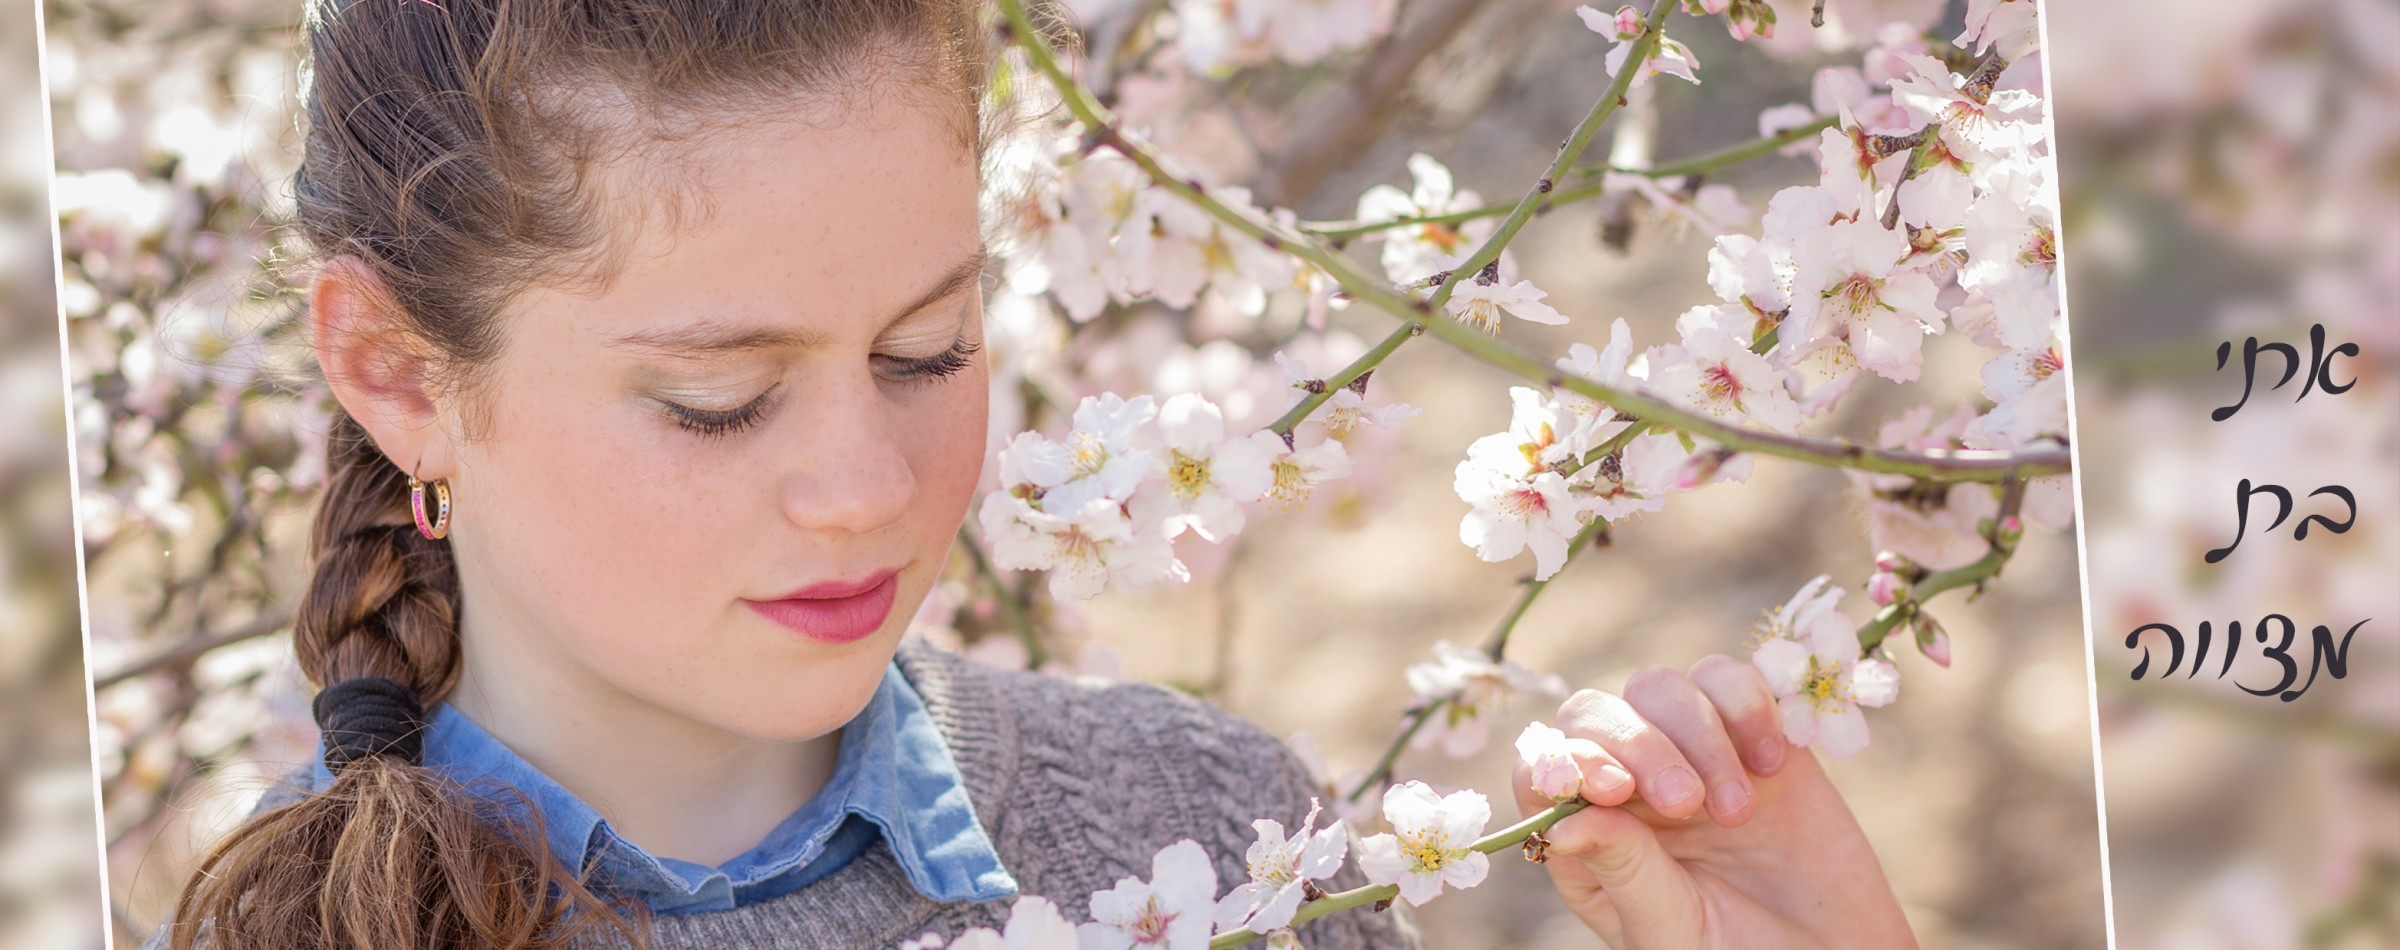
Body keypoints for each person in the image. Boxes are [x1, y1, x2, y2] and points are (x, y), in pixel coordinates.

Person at [152, 1, 1913, 947]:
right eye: (716, 398)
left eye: (929, 350)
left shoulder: (1209, 833)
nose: (867, 484)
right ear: (398, 373)